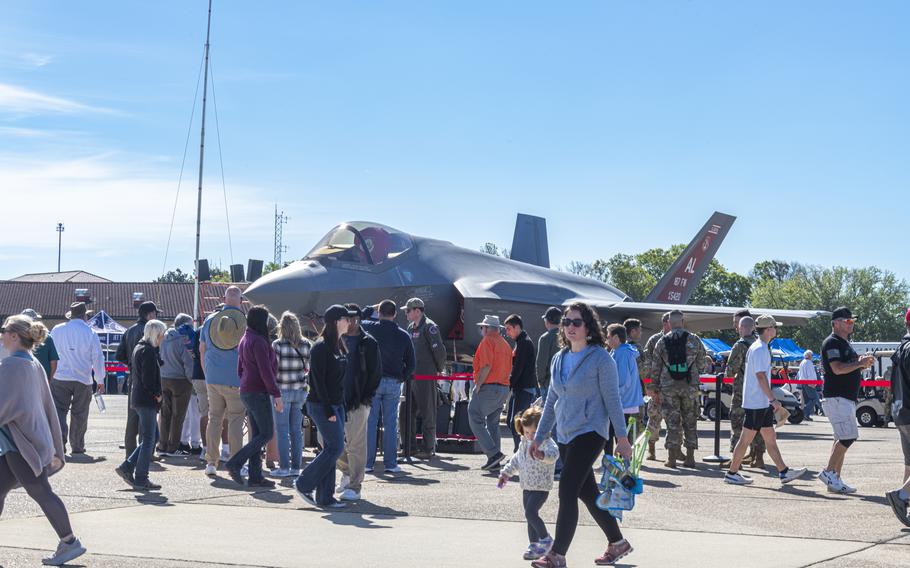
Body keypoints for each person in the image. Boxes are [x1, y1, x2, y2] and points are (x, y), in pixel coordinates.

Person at [530, 303, 633, 568]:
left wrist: (622, 438)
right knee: (588, 493)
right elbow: (552, 398)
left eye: (577, 322)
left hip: (590, 433)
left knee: (567, 490)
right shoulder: (559, 358)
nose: (571, 327)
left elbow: (613, 401)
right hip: (565, 434)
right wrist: (539, 436)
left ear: (589, 327)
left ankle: (557, 554)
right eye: (567, 322)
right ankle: (617, 542)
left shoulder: (601, 358)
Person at [0, 315, 87, 566]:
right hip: (25, 441)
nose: (1, 334)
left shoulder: (13, 366)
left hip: (22, 444)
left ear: (15, 335)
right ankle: (69, 542)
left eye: (4, 330)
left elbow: (5, 406)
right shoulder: (31, 362)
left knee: (41, 491)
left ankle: (70, 542)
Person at [723, 315, 808, 486]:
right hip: (757, 402)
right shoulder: (761, 348)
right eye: (775, 327)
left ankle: (783, 471)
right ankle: (732, 473)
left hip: (758, 402)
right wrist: (773, 400)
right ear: (768, 329)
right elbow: (761, 376)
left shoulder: (758, 347)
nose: (776, 330)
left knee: (769, 437)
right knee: (746, 439)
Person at [295, 304, 357, 509]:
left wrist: (341, 406)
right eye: (346, 319)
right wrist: (330, 409)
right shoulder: (321, 347)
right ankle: (304, 483)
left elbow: (338, 381)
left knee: (330, 448)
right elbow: (317, 381)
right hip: (321, 405)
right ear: (335, 322)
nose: (349, 322)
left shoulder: (339, 345)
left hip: (336, 404)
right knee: (335, 447)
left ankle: (325, 497)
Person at [818, 307, 875, 494]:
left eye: (852, 321)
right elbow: (837, 368)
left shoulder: (844, 343)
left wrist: (861, 362)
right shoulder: (832, 342)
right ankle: (828, 472)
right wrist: (859, 363)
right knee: (848, 437)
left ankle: (835, 479)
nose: (851, 324)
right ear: (835, 323)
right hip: (837, 397)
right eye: (847, 321)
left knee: (840, 439)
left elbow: (848, 366)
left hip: (844, 398)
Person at [225, 306, 282, 488]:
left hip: (247, 390)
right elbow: (266, 371)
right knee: (266, 433)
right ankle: (236, 462)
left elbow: (239, 369)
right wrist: (276, 394)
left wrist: (246, 382)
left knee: (257, 434)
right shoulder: (258, 341)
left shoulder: (245, 338)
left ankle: (255, 476)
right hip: (258, 391)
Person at [361, 300, 415, 474]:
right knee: (391, 423)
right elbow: (411, 363)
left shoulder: (370, 327)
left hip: (373, 381)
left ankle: (368, 463)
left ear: (379, 312)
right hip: (393, 382)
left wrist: (370, 308)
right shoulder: (403, 335)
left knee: (371, 422)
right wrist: (402, 377)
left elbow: (359, 318)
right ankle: (390, 463)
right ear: (395, 314)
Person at [498, 406, 559, 561]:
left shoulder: (546, 442)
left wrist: (542, 454)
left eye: (534, 432)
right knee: (530, 517)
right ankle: (534, 544)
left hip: (541, 486)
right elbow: (516, 460)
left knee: (530, 513)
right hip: (527, 485)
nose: (530, 436)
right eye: (527, 432)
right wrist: (506, 473)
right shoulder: (524, 443)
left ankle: (545, 539)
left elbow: (554, 454)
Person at [114, 319, 167, 491]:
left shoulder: (140, 347)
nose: (163, 338)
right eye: (162, 335)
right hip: (146, 400)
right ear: (156, 335)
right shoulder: (148, 351)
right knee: (149, 439)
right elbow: (148, 378)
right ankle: (141, 477)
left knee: (152, 438)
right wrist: (157, 395)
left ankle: (128, 466)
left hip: (138, 398)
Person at [200, 287, 247, 477]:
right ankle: (235, 463)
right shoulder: (244, 322)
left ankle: (211, 462)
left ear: (224, 299)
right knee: (236, 419)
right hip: (235, 377)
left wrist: (207, 373)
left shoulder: (209, 321)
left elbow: (202, 349)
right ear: (241, 301)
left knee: (214, 418)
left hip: (212, 377)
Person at [650, 309, 706, 469]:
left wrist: (654, 387)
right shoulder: (694, 340)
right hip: (690, 387)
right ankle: (690, 458)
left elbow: (656, 367)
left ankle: (672, 459)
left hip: (669, 388)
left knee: (672, 422)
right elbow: (702, 365)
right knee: (690, 421)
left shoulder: (662, 341)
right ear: (682, 321)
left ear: (668, 322)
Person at [336, 304, 381, 501]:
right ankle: (347, 470)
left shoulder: (368, 342)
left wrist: (365, 398)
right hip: (336, 400)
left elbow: (375, 373)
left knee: (356, 444)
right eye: (348, 318)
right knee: (328, 441)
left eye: (355, 318)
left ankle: (355, 485)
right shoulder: (335, 340)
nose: (351, 322)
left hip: (358, 400)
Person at [49, 302, 106, 455]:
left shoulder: (57, 329)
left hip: (60, 376)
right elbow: (97, 357)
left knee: (59, 411)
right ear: (84, 316)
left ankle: (59, 443)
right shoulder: (90, 332)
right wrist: (100, 380)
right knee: (80, 413)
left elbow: (50, 351)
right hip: (83, 378)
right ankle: (77, 445)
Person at [402, 298, 447, 460]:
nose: (406, 313)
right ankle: (410, 447)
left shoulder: (429, 327)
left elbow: (439, 352)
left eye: (408, 310)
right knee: (406, 411)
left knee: (428, 411)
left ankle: (428, 448)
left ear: (417, 311)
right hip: (411, 376)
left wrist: (438, 370)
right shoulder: (410, 327)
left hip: (425, 375)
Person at [115, 301, 160, 458]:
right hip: (147, 379)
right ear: (150, 314)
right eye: (155, 314)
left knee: (132, 418)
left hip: (132, 378)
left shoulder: (129, 331)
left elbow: (119, 355)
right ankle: (145, 453)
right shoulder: (151, 332)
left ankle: (130, 452)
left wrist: (131, 364)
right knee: (147, 418)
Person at [469, 315, 513, 471]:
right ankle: (495, 460)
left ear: (487, 328)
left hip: (489, 387)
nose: (481, 329)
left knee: (474, 416)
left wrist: (478, 385)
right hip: (503, 388)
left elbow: (486, 366)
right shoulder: (506, 344)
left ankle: (493, 454)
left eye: (482, 327)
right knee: (493, 423)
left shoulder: (488, 341)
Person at [270, 311, 310, 477]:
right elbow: (308, 368)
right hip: (300, 390)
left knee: (282, 430)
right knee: (296, 430)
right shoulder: (306, 344)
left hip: (282, 390)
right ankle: (296, 467)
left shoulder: (277, 345)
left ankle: (284, 467)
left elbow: (274, 369)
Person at [728, 315, 766, 466]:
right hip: (759, 392)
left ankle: (735, 461)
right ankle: (759, 457)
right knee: (757, 425)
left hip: (741, 392)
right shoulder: (762, 344)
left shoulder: (740, 345)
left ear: (742, 328)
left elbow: (730, 371)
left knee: (738, 425)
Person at [158, 313, 196, 457]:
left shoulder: (163, 337)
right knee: (177, 416)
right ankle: (173, 447)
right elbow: (187, 364)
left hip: (163, 378)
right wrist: (192, 381)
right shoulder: (182, 340)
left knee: (165, 414)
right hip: (180, 381)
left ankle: (162, 445)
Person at [886, 308, 910, 526]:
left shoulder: (901, 347)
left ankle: (906, 505)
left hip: (901, 411)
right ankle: (901, 495)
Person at [606, 323, 643, 452]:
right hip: (626, 402)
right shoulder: (622, 351)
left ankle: (614, 464)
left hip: (621, 402)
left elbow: (622, 382)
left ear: (616, 337)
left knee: (612, 435)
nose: (607, 339)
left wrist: (609, 398)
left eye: (608, 336)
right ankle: (622, 465)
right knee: (620, 436)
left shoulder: (621, 353)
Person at [505, 314, 538, 453]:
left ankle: (521, 453)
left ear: (516, 327)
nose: (507, 332)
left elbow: (519, 367)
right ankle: (519, 452)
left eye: (508, 329)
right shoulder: (521, 341)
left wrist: (509, 384)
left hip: (524, 388)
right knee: (511, 421)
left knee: (517, 423)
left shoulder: (524, 342)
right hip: (520, 388)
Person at [642, 312, 671, 461]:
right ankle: (651, 449)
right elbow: (647, 365)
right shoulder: (654, 340)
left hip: (673, 388)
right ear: (665, 323)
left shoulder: (678, 339)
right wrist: (649, 387)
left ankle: (672, 452)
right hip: (657, 387)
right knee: (654, 418)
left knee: (674, 420)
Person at [22, 309, 59, 382]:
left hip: (23, 380)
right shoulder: (47, 337)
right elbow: (54, 362)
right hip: (42, 380)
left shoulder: (17, 337)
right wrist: (49, 380)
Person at [536, 307, 562, 403]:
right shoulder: (567, 337)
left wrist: (541, 381)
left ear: (547, 321)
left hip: (548, 383)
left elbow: (541, 363)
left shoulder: (545, 338)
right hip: (565, 383)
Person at [798, 350, 820, 421]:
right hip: (808, 383)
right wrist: (812, 383)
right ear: (809, 356)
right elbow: (810, 374)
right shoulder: (809, 363)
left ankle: (805, 415)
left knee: (807, 400)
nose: (812, 357)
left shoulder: (802, 362)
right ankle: (805, 412)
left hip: (803, 382)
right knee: (814, 398)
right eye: (812, 355)